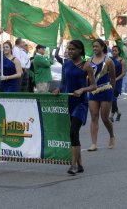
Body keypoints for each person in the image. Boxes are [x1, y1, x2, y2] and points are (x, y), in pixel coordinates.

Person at [53, 40, 96, 175]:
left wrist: (82, 89)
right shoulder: (66, 64)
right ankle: (80, 164)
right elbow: (63, 83)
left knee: (73, 132)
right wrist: (58, 90)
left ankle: (73, 166)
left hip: (80, 103)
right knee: (73, 134)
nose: (70, 51)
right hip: (68, 102)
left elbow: (94, 86)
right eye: (68, 49)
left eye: (72, 49)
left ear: (80, 51)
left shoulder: (86, 65)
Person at [87, 39, 116, 151]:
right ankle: (94, 143)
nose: (94, 48)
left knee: (104, 118)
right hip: (93, 91)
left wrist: (111, 93)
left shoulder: (108, 61)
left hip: (106, 90)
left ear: (103, 47)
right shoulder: (89, 61)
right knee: (94, 116)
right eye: (93, 46)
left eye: (97, 46)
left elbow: (113, 78)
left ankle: (112, 135)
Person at [109, 45, 126, 122]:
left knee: (113, 98)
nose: (114, 52)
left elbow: (123, 73)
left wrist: (116, 79)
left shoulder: (122, 61)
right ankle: (118, 112)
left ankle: (111, 116)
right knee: (112, 99)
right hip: (109, 81)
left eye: (115, 51)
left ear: (119, 52)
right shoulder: (110, 60)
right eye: (113, 51)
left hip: (117, 82)